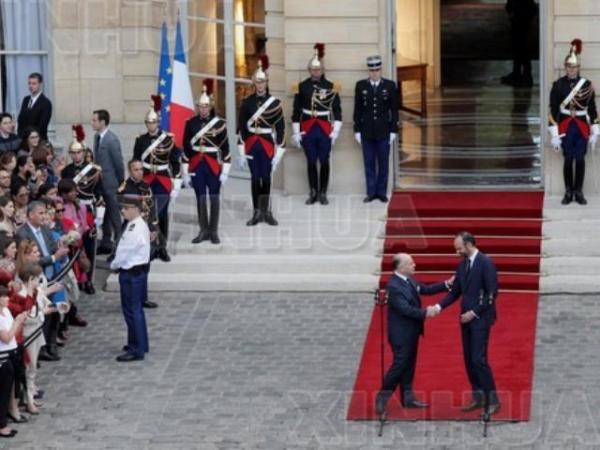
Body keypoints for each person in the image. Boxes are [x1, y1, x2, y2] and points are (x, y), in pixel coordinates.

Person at [428, 232, 500, 415]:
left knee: (478, 359)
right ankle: (478, 396)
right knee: (468, 359)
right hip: (465, 319)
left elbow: (492, 294)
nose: (457, 252)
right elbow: (455, 292)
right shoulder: (462, 265)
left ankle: (493, 399)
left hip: (480, 318)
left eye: (459, 248)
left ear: (468, 244)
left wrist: (474, 312)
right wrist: (438, 306)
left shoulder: (486, 263)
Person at [375, 253, 452, 419]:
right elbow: (405, 310)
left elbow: (425, 289)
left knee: (409, 365)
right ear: (401, 267)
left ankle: (407, 397)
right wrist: (426, 313)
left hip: (411, 332)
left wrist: (446, 284)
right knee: (399, 366)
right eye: (411, 263)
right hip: (401, 334)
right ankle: (382, 397)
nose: (414, 265)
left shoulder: (408, 280)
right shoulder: (394, 287)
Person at [549, 39, 599, 205]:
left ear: (578, 68)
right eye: (569, 66)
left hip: (582, 126)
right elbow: (553, 110)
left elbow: (592, 108)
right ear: (565, 67)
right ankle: (568, 191)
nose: (571, 69)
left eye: (574, 67)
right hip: (565, 126)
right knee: (568, 159)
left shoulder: (587, 85)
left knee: (580, 159)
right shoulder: (558, 85)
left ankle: (578, 191)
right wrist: (554, 134)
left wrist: (595, 131)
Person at [291, 43, 342, 205]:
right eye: (313, 69)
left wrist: (335, 131)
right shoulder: (301, 86)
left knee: (324, 160)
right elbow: (296, 111)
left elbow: (337, 110)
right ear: (309, 70)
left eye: (318, 69)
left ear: (322, 70)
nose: (316, 72)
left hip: (325, 128)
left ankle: (323, 192)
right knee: (311, 160)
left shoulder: (331, 87)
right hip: (307, 127)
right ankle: (313, 191)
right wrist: (296, 132)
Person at [238, 56, 286, 226]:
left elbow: (280, 128)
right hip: (252, 144)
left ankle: (267, 211)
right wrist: (241, 150)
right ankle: (256, 211)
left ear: (266, 83)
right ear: (254, 83)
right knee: (254, 178)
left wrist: (279, 151)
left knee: (266, 178)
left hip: (266, 144)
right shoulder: (247, 102)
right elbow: (241, 127)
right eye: (258, 82)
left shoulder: (275, 103)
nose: (260, 85)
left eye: (263, 82)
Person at [133, 95, 181, 260]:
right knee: (147, 214)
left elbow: (175, 162)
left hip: (162, 179)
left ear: (158, 123)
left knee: (162, 215)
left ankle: (162, 247)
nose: (150, 125)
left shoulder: (168, 139)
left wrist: (177, 182)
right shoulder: (140, 140)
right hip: (146, 179)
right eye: (148, 122)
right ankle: (151, 247)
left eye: (153, 122)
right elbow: (136, 161)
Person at [183, 81, 231, 244]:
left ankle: (213, 231)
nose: (203, 109)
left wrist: (225, 171)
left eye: (206, 107)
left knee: (214, 198)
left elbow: (225, 148)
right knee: (200, 198)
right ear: (197, 107)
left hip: (213, 165)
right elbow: (186, 147)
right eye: (200, 107)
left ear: (210, 107)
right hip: (197, 164)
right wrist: (185, 172)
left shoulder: (219, 124)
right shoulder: (190, 123)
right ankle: (203, 230)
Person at [61, 125, 104, 288]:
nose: (76, 155)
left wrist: (100, 214)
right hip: (72, 211)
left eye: (79, 152)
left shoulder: (93, 170)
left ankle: (89, 280)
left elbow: (99, 193)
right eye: (73, 153)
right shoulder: (66, 171)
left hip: (88, 210)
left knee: (90, 245)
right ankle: (79, 279)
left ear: (84, 152)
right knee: (76, 246)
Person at [110, 195, 150, 362]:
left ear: (135, 209)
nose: (122, 211)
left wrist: (114, 265)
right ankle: (140, 342)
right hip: (137, 272)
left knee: (132, 311)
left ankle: (136, 348)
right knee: (136, 310)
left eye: (126, 208)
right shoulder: (137, 224)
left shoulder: (134, 228)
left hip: (131, 273)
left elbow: (124, 252)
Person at [353, 55, 399, 203]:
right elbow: (358, 109)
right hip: (366, 132)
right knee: (369, 163)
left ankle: (381, 192)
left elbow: (394, 109)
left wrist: (393, 130)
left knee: (383, 163)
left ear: (381, 70)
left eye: (377, 70)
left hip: (384, 131)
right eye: (372, 70)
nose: (374, 73)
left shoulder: (390, 85)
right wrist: (357, 129)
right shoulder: (361, 86)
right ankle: (371, 192)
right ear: (368, 70)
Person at [117, 160, 158, 309]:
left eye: (141, 169)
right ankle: (130, 298)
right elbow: (123, 210)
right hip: (132, 229)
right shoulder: (124, 188)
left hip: (145, 228)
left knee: (145, 264)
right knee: (131, 264)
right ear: (130, 171)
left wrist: (153, 228)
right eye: (136, 170)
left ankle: (143, 297)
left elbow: (152, 209)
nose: (140, 172)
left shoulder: (146, 186)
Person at [91, 110, 124, 254]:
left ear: (102, 122)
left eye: (95, 120)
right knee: (104, 214)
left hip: (111, 183)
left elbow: (118, 163)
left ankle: (120, 243)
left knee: (114, 214)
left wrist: (120, 181)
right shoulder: (97, 137)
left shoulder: (111, 140)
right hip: (100, 182)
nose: (92, 123)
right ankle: (106, 242)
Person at [0, 285, 27, 438]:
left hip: (11, 353)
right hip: (2, 358)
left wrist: (19, 321)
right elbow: (6, 337)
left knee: (10, 387)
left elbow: (12, 332)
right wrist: (17, 322)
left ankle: (5, 418)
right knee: (3, 391)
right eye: (4, 297)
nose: (7, 299)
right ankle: (1, 425)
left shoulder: (5, 312)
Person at [500, 0, 537, 87]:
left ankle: (521, 74)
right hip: (522, 19)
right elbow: (533, 8)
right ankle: (523, 74)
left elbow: (510, 6)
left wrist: (512, 12)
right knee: (522, 48)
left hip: (519, 19)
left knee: (519, 48)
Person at [17, 73, 52, 141]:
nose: (31, 86)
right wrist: (21, 137)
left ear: (40, 84)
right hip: (23, 141)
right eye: (29, 83)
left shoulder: (46, 103)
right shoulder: (26, 100)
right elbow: (20, 120)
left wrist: (31, 138)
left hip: (38, 141)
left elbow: (42, 125)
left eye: (34, 83)